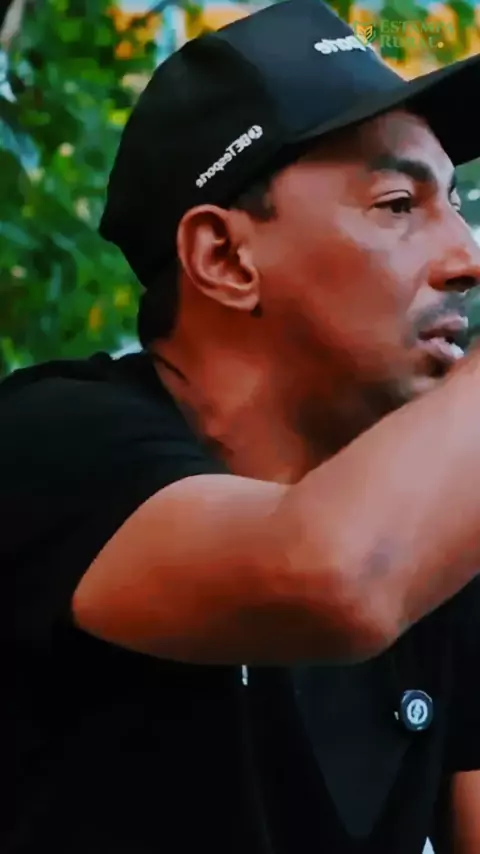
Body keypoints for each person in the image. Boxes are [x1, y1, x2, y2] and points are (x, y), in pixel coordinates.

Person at [4, 0, 480, 851]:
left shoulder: (433, 544)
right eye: (398, 204)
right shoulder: (49, 444)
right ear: (225, 258)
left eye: (457, 202)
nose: (468, 257)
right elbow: (332, 577)